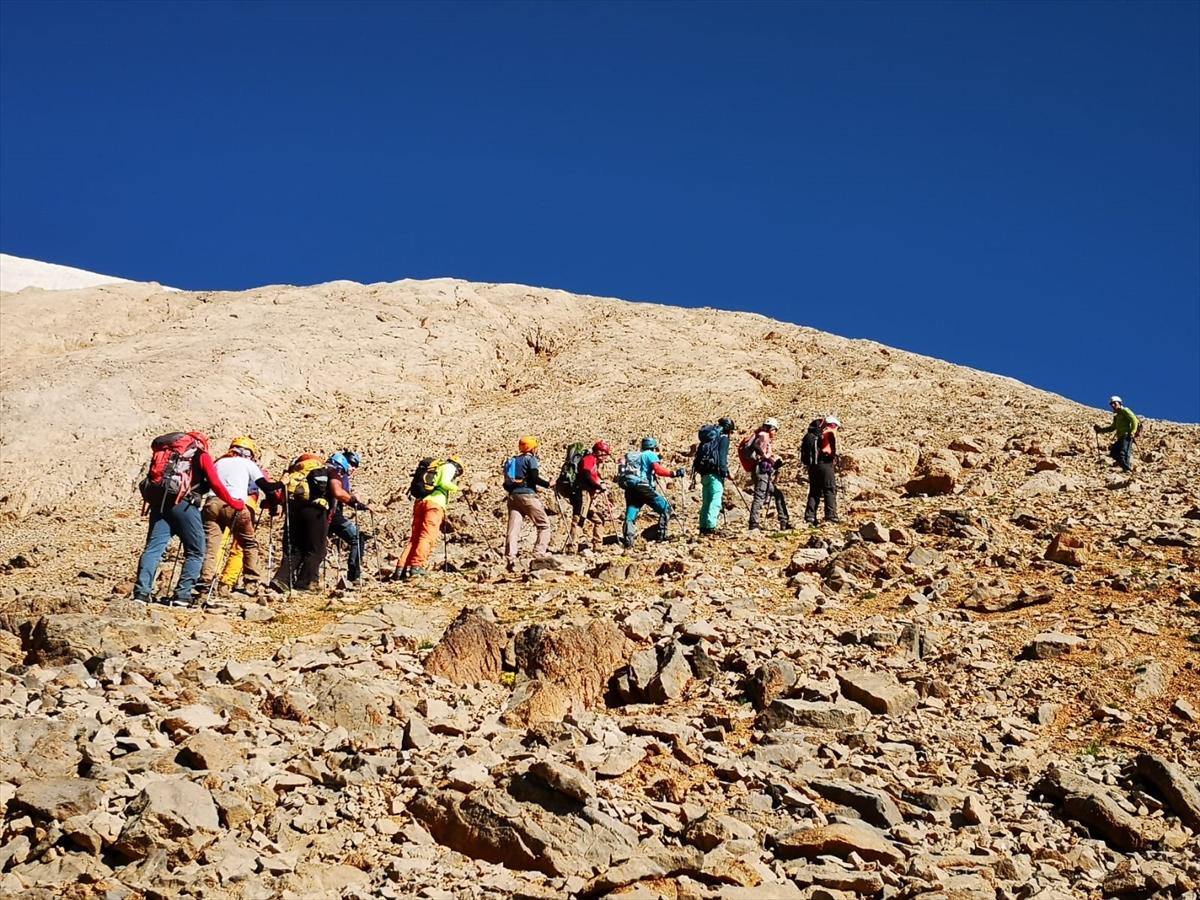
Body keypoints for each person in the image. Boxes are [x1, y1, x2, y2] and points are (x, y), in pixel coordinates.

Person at [133, 431, 244, 606]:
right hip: (184, 505)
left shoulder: (167, 454)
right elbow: (215, 483)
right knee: (196, 551)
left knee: (153, 549)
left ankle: (141, 593)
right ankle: (182, 596)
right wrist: (232, 502)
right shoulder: (200, 454)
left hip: (160, 505)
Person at [198, 436, 282, 599]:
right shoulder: (250, 464)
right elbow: (268, 488)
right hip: (238, 505)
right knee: (246, 544)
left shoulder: (219, 462)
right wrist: (281, 486)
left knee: (212, 545)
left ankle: (205, 583)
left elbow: (206, 484)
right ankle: (248, 581)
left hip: (212, 504)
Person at [271, 454, 334, 593]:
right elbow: (334, 493)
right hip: (315, 511)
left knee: (296, 549)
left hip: (294, 510)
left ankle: (281, 579)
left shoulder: (294, 473)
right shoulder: (322, 471)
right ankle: (305, 583)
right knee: (316, 549)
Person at [397, 456, 464, 580]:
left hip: (420, 503)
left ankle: (401, 568)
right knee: (427, 536)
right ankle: (417, 566)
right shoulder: (450, 467)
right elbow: (444, 482)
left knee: (415, 538)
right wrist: (458, 488)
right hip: (434, 505)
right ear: (458, 467)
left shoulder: (437, 467)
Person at [619, 437, 686, 548]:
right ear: (653, 447)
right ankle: (661, 535)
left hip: (630, 488)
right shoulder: (650, 455)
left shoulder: (634, 456)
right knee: (666, 508)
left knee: (631, 514)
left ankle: (628, 540)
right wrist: (674, 473)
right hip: (643, 488)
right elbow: (658, 470)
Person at [504, 436, 554, 569]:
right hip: (528, 496)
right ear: (532, 448)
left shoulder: (514, 460)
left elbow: (506, 483)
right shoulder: (530, 460)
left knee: (513, 528)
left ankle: (510, 556)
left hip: (513, 497)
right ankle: (538, 553)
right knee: (544, 525)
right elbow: (534, 478)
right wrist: (548, 484)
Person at [327, 450, 370, 588]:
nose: (353, 468)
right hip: (333, 515)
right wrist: (360, 505)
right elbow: (343, 496)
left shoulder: (330, 472)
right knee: (357, 537)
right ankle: (354, 575)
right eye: (352, 464)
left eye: (356, 466)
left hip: (322, 515)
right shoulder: (340, 475)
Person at [565, 441, 612, 552]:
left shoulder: (594, 463)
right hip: (583, 494)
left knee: (599, 520)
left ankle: (598, 546)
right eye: (605, 454)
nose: (605, 457)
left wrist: (599, 485)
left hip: (588, 497)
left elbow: (593, 477)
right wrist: (598, 486)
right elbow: (586, 475)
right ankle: (571, 547)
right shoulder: (589, 459)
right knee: (579, 519)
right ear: (599, 452)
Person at [746, 418, 792, 531]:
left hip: (761, 470)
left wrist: (772, 462)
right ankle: (754, 523)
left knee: (777, 494)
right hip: (762, 471)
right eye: (775, 430)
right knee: (760, 495)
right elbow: (756, 447)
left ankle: (784, 520)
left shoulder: (761, 435)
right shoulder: (764, 435)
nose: (775, 432)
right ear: (771, 428)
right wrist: (765, 457)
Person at [694, 418, 735, 536]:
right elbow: (722, 458)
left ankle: (703, 527)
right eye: (731, 431)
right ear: (728, 429)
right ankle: (711, 525)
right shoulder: (723, 439)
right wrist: (726, 472)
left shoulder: (710, 439)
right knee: (716, 499)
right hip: (715, 475)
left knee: (706, 501)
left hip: (704, 474)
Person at [804, 416, 841, 525]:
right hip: (825, 463)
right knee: (829, 489)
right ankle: (831, 516)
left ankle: (810, 517)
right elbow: (828, 450)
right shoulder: (829, 432)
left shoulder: (816, 435)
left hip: (813, 465)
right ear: (833, 425)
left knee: (814, 491)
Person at [1094, 396, 1139, 472]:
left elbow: (1134, 419)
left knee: (1123, 453)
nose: (1113, 405)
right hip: (1121, 437)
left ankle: (1127, 469)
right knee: (1113, 452)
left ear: (1120, 403)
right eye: (1112, 404)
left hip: (1127, 435)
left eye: (1114, 403)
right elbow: (1112, 428)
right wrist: (1100, 430)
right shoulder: (1117, 416)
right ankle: (1126, 468)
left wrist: (1133, 432)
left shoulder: (1125, 410)